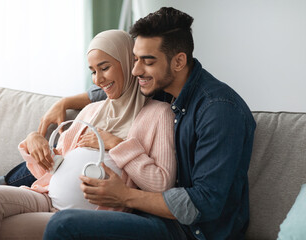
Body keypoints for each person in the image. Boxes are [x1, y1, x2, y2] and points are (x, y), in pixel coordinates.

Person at [42, 7, 256, 240]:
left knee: (63, 225)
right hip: (147, 215)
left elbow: (204, 203)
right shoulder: (164, 88)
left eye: (147, 61)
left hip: (190, 231)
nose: (135, 70)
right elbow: (113, 88)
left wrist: (124, 196)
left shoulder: (218, 111)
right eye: (135, 59)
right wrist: (65, 102)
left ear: (178, 61)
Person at [0, 30, 176, 240]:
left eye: (104, 68)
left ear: (128, 63)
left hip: (78, 218)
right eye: (93, 72)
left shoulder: (158, 114)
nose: (98, 80)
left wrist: (116, 144)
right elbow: (51, 167)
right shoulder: (91, 111)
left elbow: (162, 185)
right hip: (45, 198)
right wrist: (35, 144)